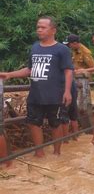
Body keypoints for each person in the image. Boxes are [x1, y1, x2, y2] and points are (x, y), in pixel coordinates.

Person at [0, 16, 73, 157]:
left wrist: (67, 91)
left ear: (53, 30)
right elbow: (29, 69)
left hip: (55, 94)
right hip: (35, 93)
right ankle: (39, 152)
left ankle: (57, 153)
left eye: (43, 27)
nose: (39, 30)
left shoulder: (61, 49)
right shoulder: (35, 47)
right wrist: (9, 74)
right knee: (33, 123)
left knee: (55, 124)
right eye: (38, 27)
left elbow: (68, 70)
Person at [63, 34, 94, 139]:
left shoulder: (85, 52)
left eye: (70, 44)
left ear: (75, 43)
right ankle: (75, 134)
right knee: (73, 105)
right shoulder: (71, 51)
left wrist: (82, 71)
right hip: (73, 79)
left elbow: (93, 68)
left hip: (83, 80)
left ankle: (88, 132)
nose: (69, 46)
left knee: (82, 106)